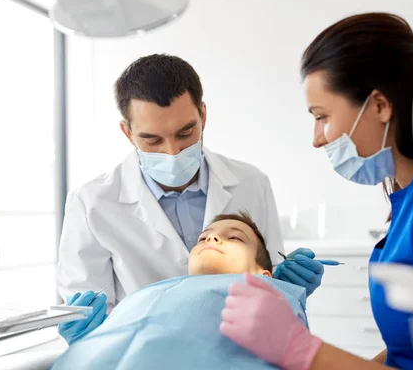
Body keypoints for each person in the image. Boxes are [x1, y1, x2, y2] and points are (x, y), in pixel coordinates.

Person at [218, 12, 413, 370]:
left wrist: (303, 350)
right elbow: (411, 347)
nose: (317, 138)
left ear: (380, 105)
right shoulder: (411, 194)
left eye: (322, 116)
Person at [56, 54, 324, 344]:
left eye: (185, 133)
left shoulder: (251, 183)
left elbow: (267, 277)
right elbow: (88, 312)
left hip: (239, 350)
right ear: (127, 132)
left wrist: (290, 287)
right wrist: (85, 334)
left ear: (203, 116)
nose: (172, 152)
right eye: (152, 140)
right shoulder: (92, 203)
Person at [52, 212, 309, 369]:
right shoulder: (147, 295)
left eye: (235, 237)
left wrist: (280, 292)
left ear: (263, 275)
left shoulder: (267, 299)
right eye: (203, 237)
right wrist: (87, 341)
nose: (212, 238)